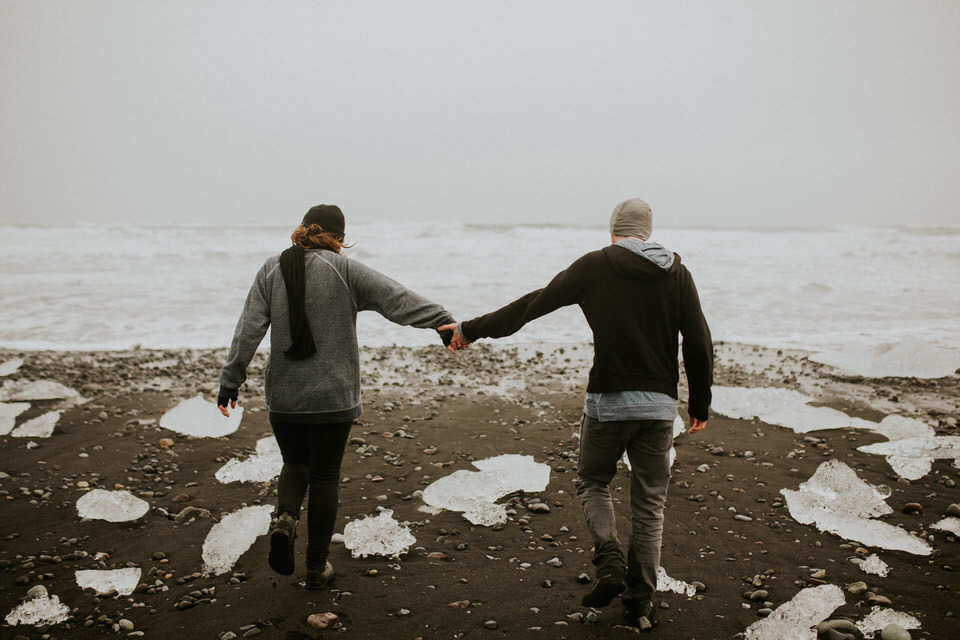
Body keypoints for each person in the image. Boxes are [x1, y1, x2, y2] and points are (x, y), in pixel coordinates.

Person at [440, 198, 713, 629]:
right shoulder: (677, 272)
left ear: (613, 231)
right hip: (659, 407)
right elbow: (698, 341)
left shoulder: (595, 266)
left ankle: (609, 564)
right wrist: (699, 404)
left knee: (592, 480)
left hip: (608, 403)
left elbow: (533, 305)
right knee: (649, 504)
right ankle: (640, 603)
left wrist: (470, 330)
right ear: (648, 233)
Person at [217, 204, 455, 589]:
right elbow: (396, 299)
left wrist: (231, 380)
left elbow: (248, 329)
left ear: (304, 229)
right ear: (339, 238)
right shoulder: (343, 270)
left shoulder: (271, 269)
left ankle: (285, 519)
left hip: (285, 398)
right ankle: (315, 567)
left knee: (295, 464)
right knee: (325, 475)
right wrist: (441, 320)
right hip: (334, 396)